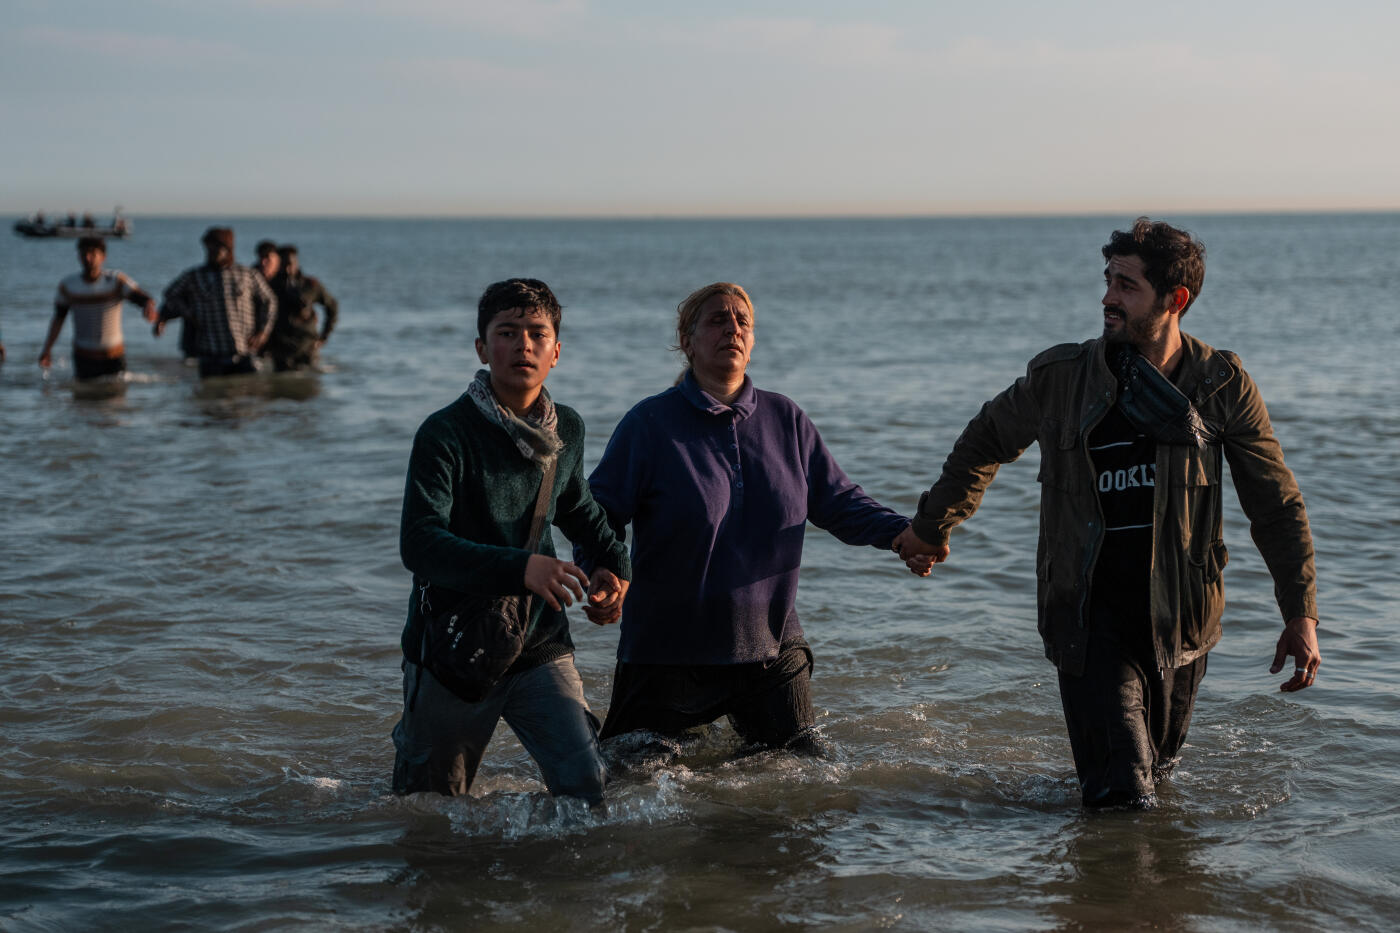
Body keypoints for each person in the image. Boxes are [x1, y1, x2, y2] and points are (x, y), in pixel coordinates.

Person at [893, 218, 1320, 808]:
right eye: (1108, 281)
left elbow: (1276, 504)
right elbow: (985, 440)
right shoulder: (1062, 379)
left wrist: (1300, 612)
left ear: (1176, 300)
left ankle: (1128, 897)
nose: (1107, 298)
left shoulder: (1221, 386)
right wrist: (931, 527)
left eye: (1126, 286)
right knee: (1125, 795)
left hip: (1181, 625)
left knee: (1151, 787)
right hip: (1087, 619)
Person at [584, 283, 923, 756]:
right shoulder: (649, 425)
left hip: (769, 646)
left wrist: (900, 534)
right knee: (635, 786)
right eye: (718, 320)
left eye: (742, 321)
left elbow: (839, 501)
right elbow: (595, 512)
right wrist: (604, 567)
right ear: (688, 340)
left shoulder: (786, 418)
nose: (733, 329)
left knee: (808, 775)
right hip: (667, 654)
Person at [391, 277, 631, 803]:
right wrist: (522, 568)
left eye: (537, 334)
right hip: (453, 647)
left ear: (556, 352)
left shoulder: (565, 427)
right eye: (507, 331)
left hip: (539, 640)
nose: (524, 344)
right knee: (429, 810)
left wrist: (615, 568)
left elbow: (580, 510)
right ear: (481, 347)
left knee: (588, 791)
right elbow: (420, 544)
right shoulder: (445, 433)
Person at [153, 227, 277, 377]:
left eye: (216, 248)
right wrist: (188, 314)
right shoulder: (195, 276)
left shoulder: (247, 275)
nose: (211, 252)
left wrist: (263, 332)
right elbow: (170, 294)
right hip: (210, 354)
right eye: (208, 248)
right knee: (211, 398)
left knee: (247, 397)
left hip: (244, 352)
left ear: (228, 249)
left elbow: (269, 300)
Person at [38, 236, 158, 380]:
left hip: (114, 356)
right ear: (79, 256)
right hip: (84, 357)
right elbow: (58, 319)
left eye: (93, 254)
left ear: (103, 257)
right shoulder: (69, 286)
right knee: (83, 400)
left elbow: (142, 297)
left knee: (116, 400)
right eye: (84, 254)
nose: (88, 258)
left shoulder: (115, 281)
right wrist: (47, 349)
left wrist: (148, 307)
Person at [264, 245, 339, 372]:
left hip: (307, 345)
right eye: (284, 264)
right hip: (280, 348)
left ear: (296, 263)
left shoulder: (310, 285)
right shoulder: (269, 286)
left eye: (291, 264)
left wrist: (324, 336)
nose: (288, 269)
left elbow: (332, 307)